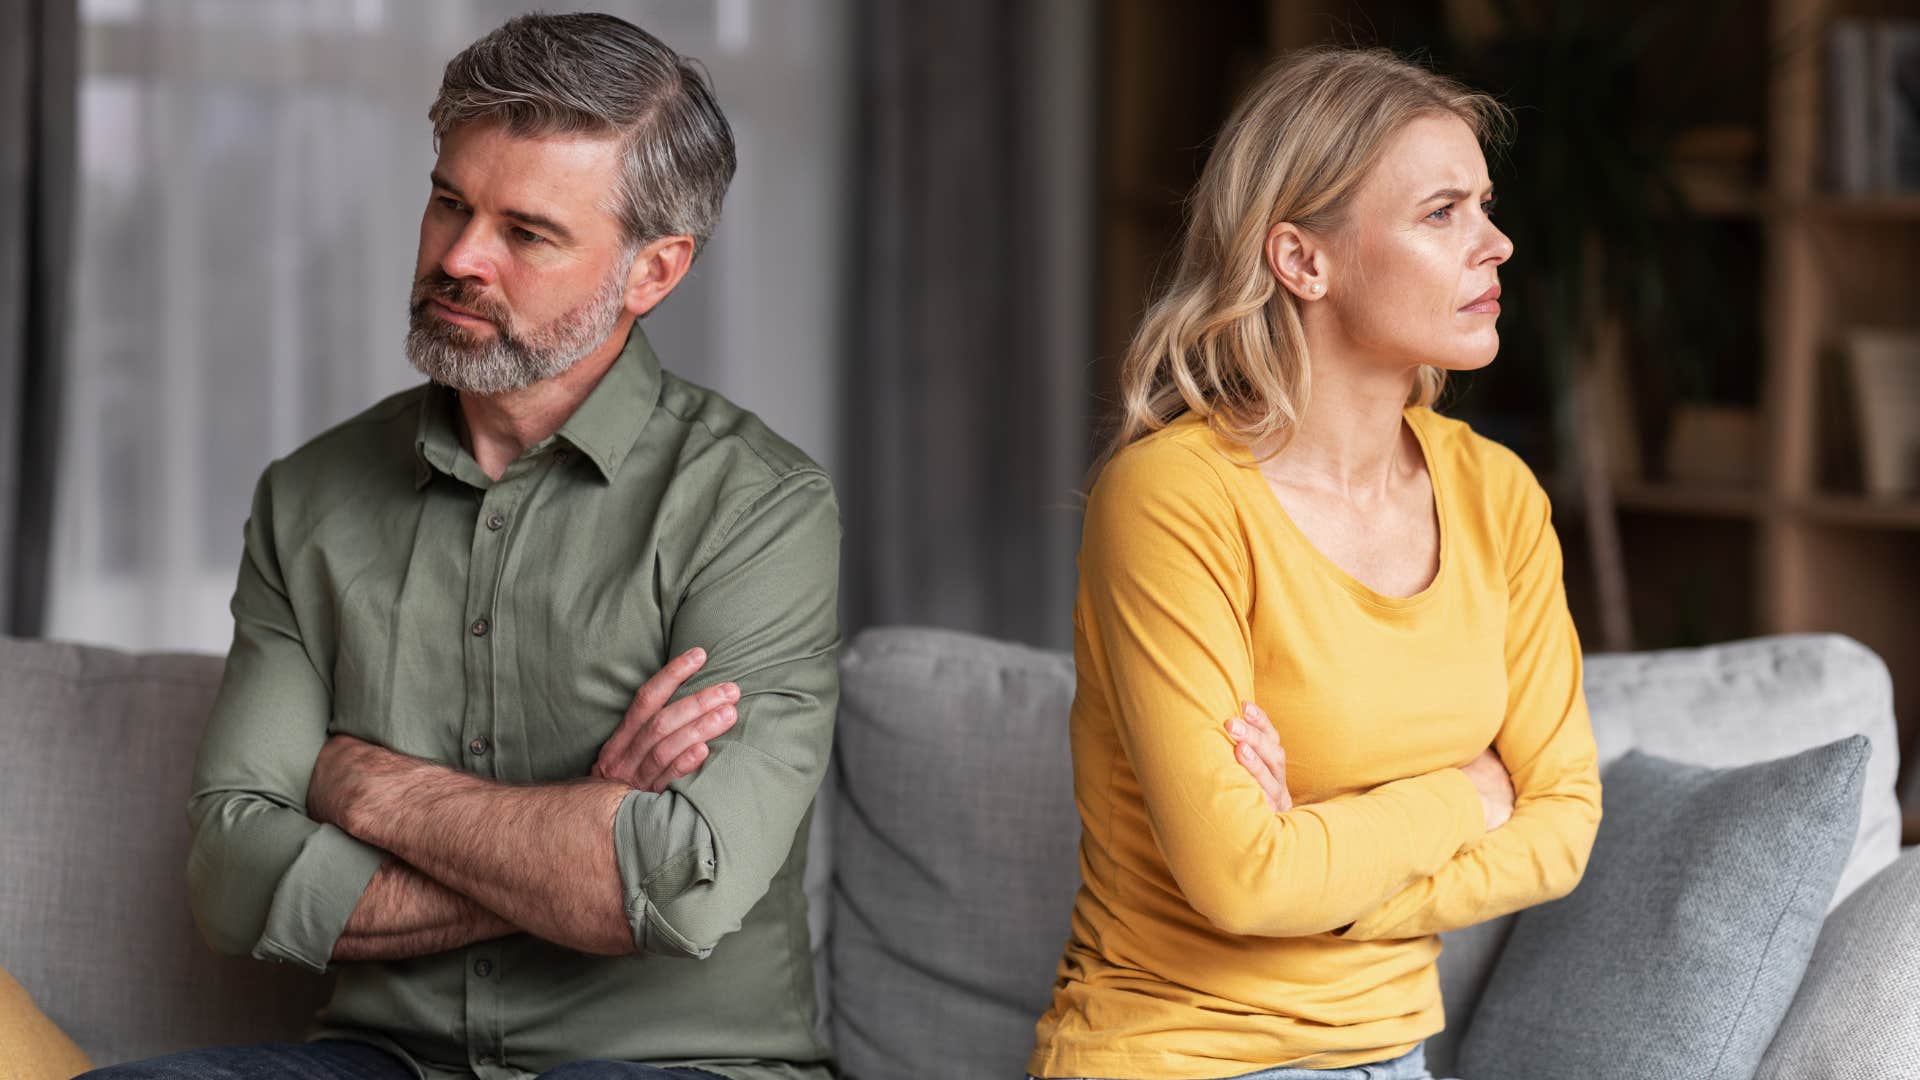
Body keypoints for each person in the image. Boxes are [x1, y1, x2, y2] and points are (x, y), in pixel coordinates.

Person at [85, 13, 839, 1080]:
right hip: (385, 1059)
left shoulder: (758, 509)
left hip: (673, 1066)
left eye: (526, 232)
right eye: (449, 200)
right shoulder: (311, 499)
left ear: (653, 270)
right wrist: (576, 835)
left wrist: (375, 793)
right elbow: (232, 875)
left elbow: (680, 883)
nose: (458, 257)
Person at [1027, 47, 1602, 1080]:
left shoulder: (1499, 495)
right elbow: (1245, 881)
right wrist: (1464, 799)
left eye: (1485, 204)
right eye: (1442, 213)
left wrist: (1326, 870)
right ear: (1302, 260)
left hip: (1393, 1057)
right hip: (1173, 1056)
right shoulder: (1174, 501)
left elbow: (1563, 830)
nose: (1498, 243)